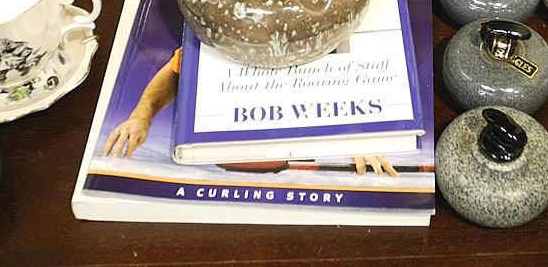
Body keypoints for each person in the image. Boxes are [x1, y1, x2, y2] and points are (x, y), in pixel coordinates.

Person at [104, 49, 399, 177]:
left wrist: (357, 134)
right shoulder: (226, 31)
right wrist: (141, 116)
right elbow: (176, 68)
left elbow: (348, 80)